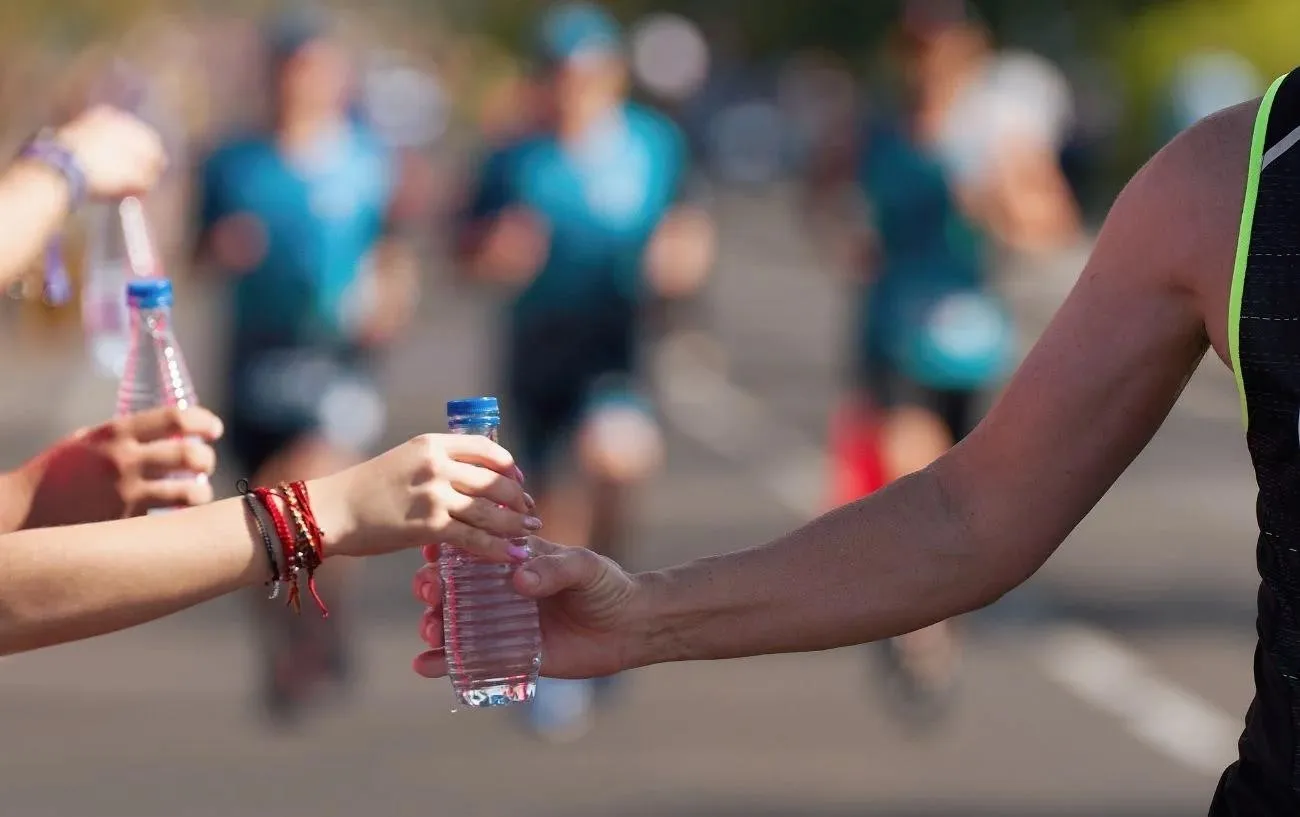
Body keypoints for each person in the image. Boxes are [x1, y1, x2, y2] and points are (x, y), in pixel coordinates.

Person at [415, 63, 1300, 815]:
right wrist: (641, 615)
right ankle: (922, 650)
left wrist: (1001, 197)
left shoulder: (1015, 136)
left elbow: (1042, 222)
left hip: (970, 342)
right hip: (892, 347)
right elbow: (967, 516)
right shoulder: (1222, 184)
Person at [453, 2, 713, 742]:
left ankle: (606, 597)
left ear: (613, 79)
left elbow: (689, 231)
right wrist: (492, 255)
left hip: (615, 352)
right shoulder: (513, 158)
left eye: (589, 76)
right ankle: (565, 638)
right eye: (561, 77)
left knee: (616, 461)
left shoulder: (653, 146)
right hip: (538, 357)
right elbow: (464, 249)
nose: (574, 90)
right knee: (548, 504)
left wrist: (679, 262)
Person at [193, 11, 418, 721]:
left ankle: (319, 624)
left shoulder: (367, 159)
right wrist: (221, 250)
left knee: (307, 484)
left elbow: (394, 253)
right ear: (271, 76)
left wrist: (387, 301)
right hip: (257, 367)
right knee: (260, 527)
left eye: (316, 68)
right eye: (290, 68)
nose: (303, 82)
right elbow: (195, 252)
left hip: (336, 364)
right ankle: (292, 635)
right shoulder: (233, 162)